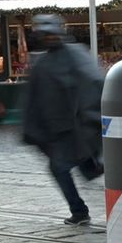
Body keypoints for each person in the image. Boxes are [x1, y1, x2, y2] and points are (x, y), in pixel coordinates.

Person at [22, 14, 104, 225]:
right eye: (45, 35)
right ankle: (79, 211)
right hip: (60, 132)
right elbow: (35, 97)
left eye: (51, 34)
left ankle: (81, 211)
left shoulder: (74, 55)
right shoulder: (43, 62)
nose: (49, 38)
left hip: (77, 128)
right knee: (62, 168)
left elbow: (93, 83)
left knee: (83, 165)